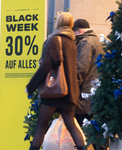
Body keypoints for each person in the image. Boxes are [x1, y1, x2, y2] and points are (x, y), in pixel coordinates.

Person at [25, 12, 85, 150]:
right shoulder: (72, 41)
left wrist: (31, 86)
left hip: (54, 91)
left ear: (58, 22)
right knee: (71, 125)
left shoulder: (55, 39)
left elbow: (47, 64)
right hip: (69, 91)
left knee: (41, 124)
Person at [72, 19, 105, 150]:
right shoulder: (97, 40)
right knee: (94, 131)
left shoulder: (86, 42)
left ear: (78, 30)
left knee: (86, 128)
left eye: (74, 32)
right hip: (95, 92)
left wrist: (72, 87)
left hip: (85, 94)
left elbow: (81, 68)